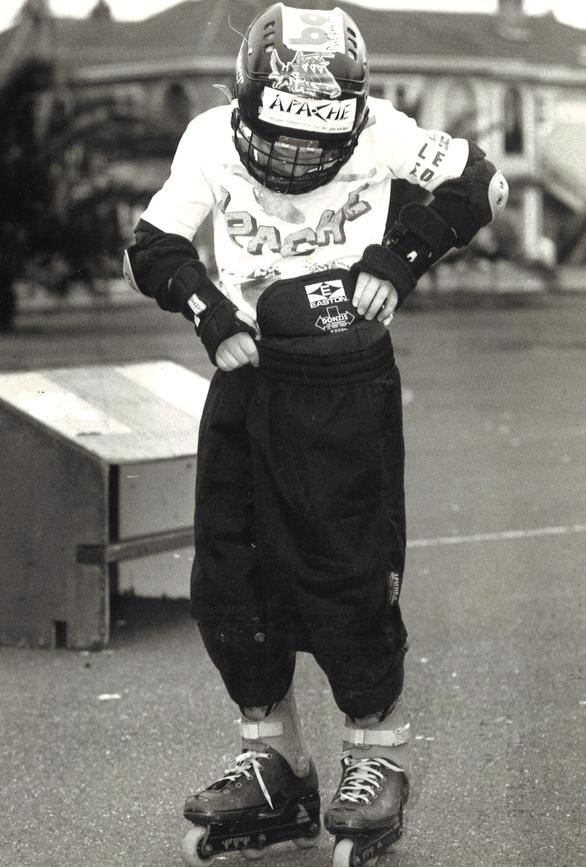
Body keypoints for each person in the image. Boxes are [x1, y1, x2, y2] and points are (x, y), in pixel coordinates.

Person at [124, 4, 508, 864]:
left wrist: (398, 258)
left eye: (316, 141)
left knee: (345, 568)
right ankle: (276, 759)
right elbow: (149, 245)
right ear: (243, 98)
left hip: (342, 377)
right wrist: (208, 308)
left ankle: (379, 759)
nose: (295, 157)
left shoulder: (383, 133)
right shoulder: (209, 140)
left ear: (351, 117)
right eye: (279, 137)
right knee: (231, 570)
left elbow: (484, 182)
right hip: (247, 372)